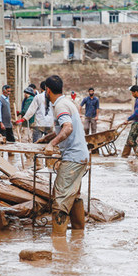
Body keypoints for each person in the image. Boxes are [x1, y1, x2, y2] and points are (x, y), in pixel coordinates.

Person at [43, 75, 90, 235]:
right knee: (74, 195)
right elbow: (68, 127)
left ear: (47, 91)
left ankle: (58, 240)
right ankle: (78, 235)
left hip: (73, 157)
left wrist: (52, 144)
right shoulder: (68, 102)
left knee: (60, 199)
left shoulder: (60, 106)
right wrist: (49, 137)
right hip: (81, 155)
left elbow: (68, 128)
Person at [121, 85, 138, 158]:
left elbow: (136, 113)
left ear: (136, 92)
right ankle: (124, 156)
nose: (132, 94)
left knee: (131, 140)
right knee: (129, 140)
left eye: (132, 93)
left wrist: (128, 119)